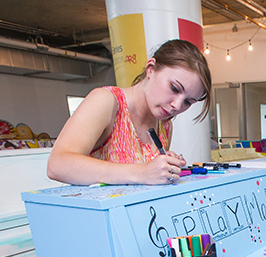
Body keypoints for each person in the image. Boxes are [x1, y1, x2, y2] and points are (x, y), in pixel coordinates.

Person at [47, 39, 211, 186]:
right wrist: (141, 172)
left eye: (188, 102)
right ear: (150, 69)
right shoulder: (107, 101)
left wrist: (163, 168)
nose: (176, 105)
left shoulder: (164, 126)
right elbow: (57, 165)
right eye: (174, 88)